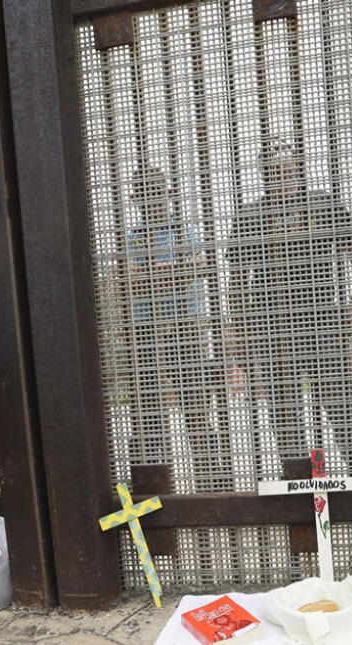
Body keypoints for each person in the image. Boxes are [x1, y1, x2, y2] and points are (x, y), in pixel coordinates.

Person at [227, 141, 352, 475]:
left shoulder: (323, 203)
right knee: (285, 410)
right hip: (271, 326)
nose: (282, 173)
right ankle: (297, 481)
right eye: (274, 168)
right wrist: (240, 331)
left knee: (338, 402)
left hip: (322, 320)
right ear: (263, 174)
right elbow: (236, 281)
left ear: (299, 168)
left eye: (288, 167)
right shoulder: (250, 215)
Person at [124, 166, 230, 489]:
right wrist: (175, 271)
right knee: (147, 415)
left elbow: (202, 266)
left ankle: (213, 486)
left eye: (157, 190)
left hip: (185, 330)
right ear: (134, 198)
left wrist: (155, 271)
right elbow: (133, 283)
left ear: (169, 193)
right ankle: (149, 490)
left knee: (196, 410)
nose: (152, 198)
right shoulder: (132, 237)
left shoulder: (187, 231)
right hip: (146, 333)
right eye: (145, 192)